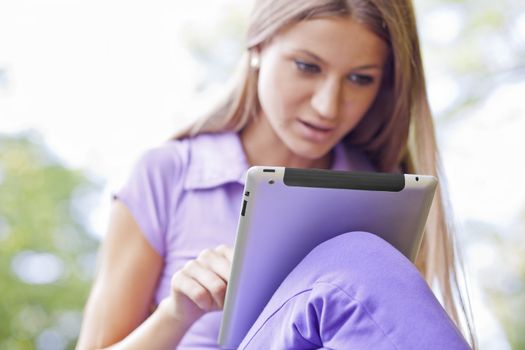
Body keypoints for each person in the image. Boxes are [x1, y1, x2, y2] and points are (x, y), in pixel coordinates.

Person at [76, 0, 476, 349]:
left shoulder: (389, 193)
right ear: (258, 45)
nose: (327, 106)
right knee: (359, 257)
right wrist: (178, 313)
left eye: (359, 79)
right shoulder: (169, 175)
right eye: (307, 66)